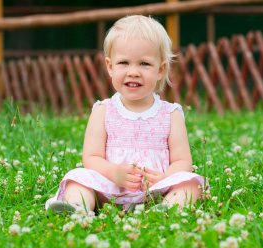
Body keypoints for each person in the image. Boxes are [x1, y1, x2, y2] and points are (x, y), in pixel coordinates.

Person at [46, 15, 206, 214]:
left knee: (191, 183)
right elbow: (91, 156)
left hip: (157, 191)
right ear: (110, 66)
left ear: (160, 69)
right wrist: (114, 173)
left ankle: (167, 208)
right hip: (110, 188)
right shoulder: (103, 110)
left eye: (144, 64)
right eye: (124, 63)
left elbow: (183, 161)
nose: (133, 72)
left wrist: (165, 178)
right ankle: (79, 207)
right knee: (78, 177)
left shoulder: (171, 113)